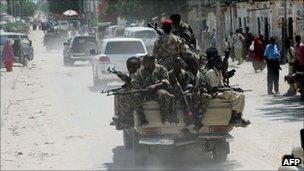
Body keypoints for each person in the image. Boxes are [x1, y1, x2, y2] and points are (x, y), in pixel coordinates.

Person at [204, 49, 250, 127]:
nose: (220, 63)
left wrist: (234, 89)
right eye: (219, 62)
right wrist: (229, 90)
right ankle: (232, 118)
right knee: (233, 96)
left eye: (221, 62)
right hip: (215, 93)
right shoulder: (211, 73)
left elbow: (223, 85)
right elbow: (214, 88)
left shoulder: (219, 72)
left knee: (241, 95)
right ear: (214, 63)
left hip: (221, 91)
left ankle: (238, 116)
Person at [132, 54, 176, 126]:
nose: (144, 63)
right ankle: (142, 119)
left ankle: (165, 118)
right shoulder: (140, 71)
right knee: (136, 96)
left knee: (163, 94)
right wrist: (139, 87)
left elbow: (165, 82)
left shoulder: (161, 69)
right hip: (145, 92)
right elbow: (134, 81)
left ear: (152, 62)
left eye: (146, 62)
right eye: (144, 62)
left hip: (157, 91)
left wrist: (155, 86)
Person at [112, 57, 141, 129]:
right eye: (129, 67)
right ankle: (119, 116)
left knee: (125, 97)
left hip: (139, 93)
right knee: (118, 94)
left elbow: (133, 83)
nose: (130, 69)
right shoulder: (133, 72)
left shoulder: (140, 72)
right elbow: (128, 84)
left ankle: (127, 119)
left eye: (132, 66)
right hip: (134, 91)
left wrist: (124, 77)